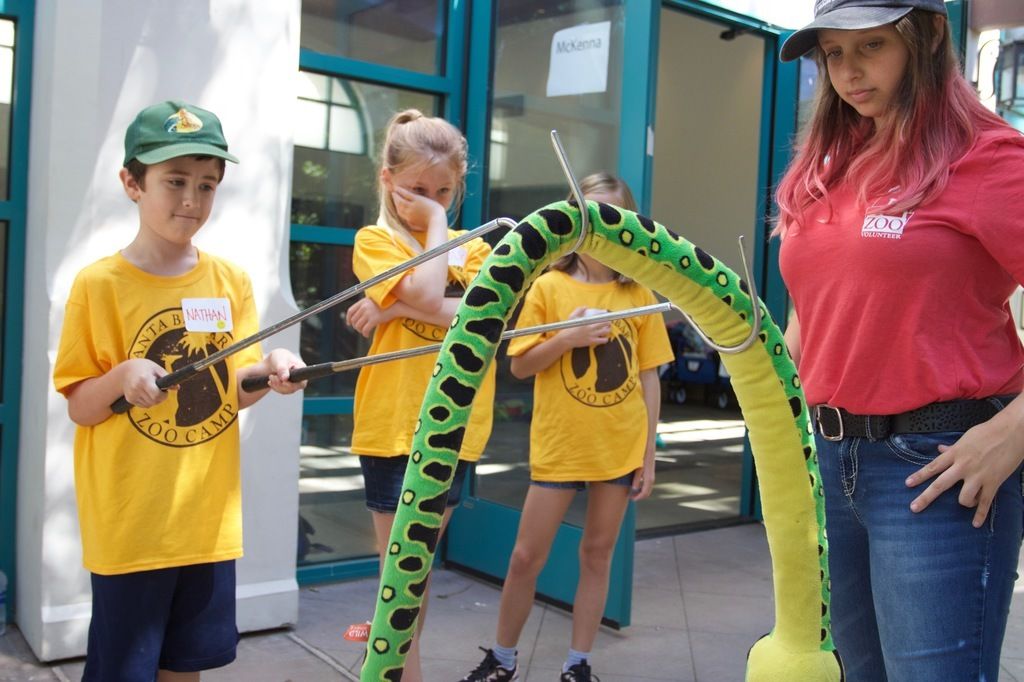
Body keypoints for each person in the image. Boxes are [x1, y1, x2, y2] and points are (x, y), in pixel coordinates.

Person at [776, 2, 1024, 680]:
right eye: (833, 53)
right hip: (830, 465)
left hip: (936, 468)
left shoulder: (987, 156)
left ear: (928, 35)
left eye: (872, 46)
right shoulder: (833, 163)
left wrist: (1013, 433)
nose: (850, 73)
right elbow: (816, 313)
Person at [52, 100, 306, 682]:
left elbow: (232, 390)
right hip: (132, 525)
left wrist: (271, 369)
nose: (191, 200)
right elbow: (80, 406)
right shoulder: (98, 286)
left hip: (206, 523)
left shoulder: (230, 281)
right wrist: (120, 376)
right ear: (131, 182)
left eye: (207, 185)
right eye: (174, 181)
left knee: (187, 668)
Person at [460, 173, 673, 682]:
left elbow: (649, 380)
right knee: (524, 557)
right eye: (589, 213)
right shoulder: (549, 287)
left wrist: (648, 456)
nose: (600, 225)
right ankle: (503, 658)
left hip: (618, 448)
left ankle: (578, 663)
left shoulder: (638, 291)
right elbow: (520, 366)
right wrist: (569, 337)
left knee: (597, 555)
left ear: (627, 224)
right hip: (560, 446)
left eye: (611, 215)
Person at [343, 108, 495, 682]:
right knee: (398, 574)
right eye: (416, 190)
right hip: (394, 425)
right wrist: (434, 227)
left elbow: (489, 318)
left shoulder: (476, 247)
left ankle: (395, 667)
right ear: (387, 180)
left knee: (419, 569)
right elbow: (436, 292)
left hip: (456, 425)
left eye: (443, 192)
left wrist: (397, 304)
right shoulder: (375, 240)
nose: (431, 201)